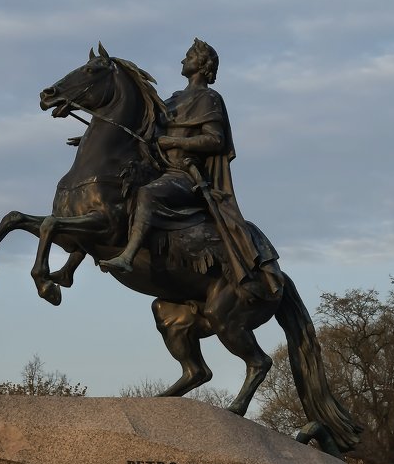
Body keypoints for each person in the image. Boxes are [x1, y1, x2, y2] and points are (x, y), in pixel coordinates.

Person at [100, 39, 279, 293]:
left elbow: (215, 140)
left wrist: (172, 140)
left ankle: (128, 256)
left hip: (184, 174)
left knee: (148, 192)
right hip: (160, 168)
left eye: (188, 57)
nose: (183, 61)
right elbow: (146, 132)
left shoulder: (208, 98)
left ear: (202, 65)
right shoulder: (173, 99)